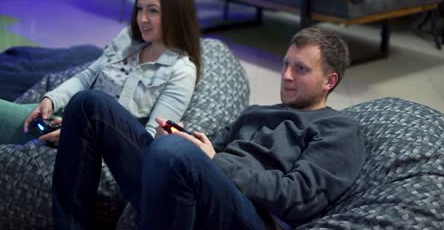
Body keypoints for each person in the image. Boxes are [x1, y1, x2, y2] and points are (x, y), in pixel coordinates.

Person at [52, 27, 365, 229]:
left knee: (172, 152)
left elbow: (295, 198)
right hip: (194, 187)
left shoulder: (339, 129)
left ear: (329, 81)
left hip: (252, 217)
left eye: (301, 69)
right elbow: (208, 146)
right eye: (285, 64)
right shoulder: (257, 113)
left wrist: (213, 160)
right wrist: (177, 136)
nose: (286, 75)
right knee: (88, 104)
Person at [0, 0, 201, 147]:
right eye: (139, 9)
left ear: (175, 16)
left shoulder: (181, 72)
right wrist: (52, 99)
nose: (142, 19)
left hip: (89, 140)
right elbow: (86, 77)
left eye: (153, 11)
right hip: (65, 118)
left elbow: (147, 140)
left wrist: (81, 133)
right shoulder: (128, 39)